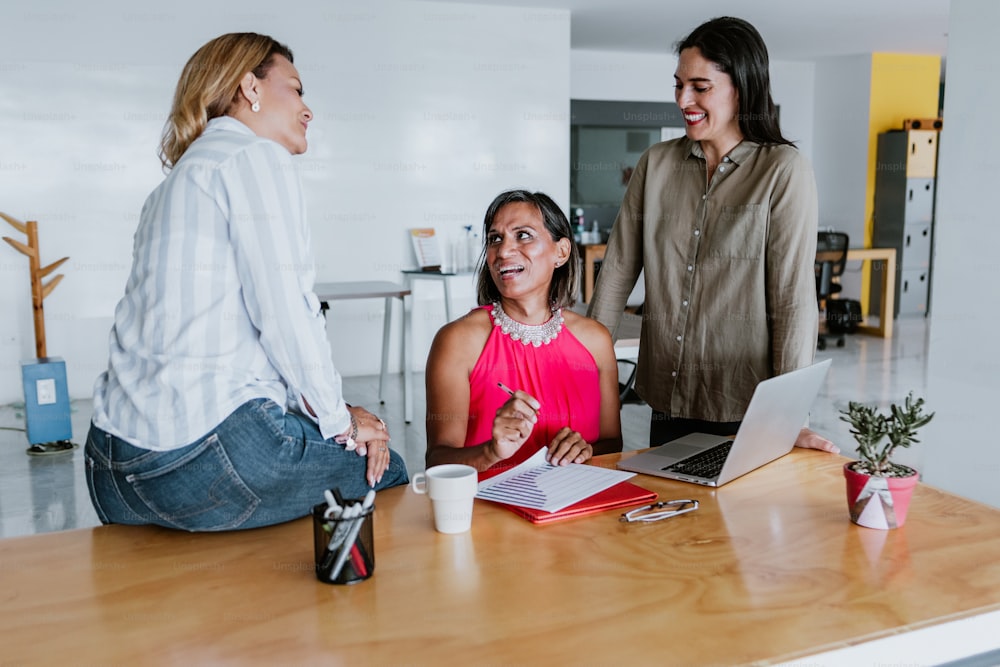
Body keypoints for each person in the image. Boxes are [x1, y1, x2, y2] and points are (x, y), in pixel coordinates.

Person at [85, 32, 408, 532]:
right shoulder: (253, 156)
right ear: (249, 88)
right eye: (296, 89)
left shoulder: (173, 184)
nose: (308, 110)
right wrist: (345, 425)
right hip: (200, 456)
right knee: (387, 472)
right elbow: (286, 314)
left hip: (111, 464)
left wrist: (339, 410)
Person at [587, 16, 839, 453]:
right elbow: (616, 272)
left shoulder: (782, 171)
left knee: (733, 523)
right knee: (666, 519)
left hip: (743, 406)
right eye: (678, 85)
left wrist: (788, 416)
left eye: (700, 87)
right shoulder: (656, 164)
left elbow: (792, 300)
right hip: (666, 397)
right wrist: (580, 373)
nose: (684, 99)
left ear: (742, 86)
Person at [425, 190, 623, 475]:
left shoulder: (595, 340)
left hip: (577, 509)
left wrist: (587, 452)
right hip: (488, 515)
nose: (503, 251)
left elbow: (613, 445)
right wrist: (490, 452)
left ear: (561, 252)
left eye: (523, 235)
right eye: (495, 239)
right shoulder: (457, 341)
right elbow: (436, 460)